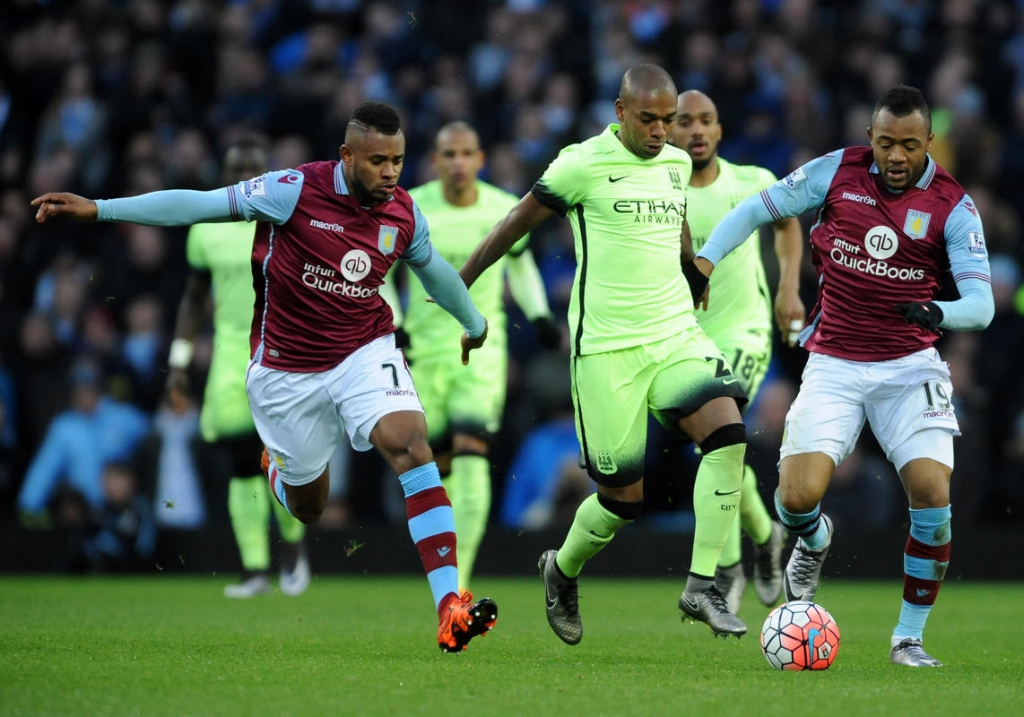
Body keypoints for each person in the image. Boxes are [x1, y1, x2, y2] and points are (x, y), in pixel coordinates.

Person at [31, 101, 498, 654]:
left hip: (363, 350)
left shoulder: (403, 213)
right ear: (347, 156)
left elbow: (436, 272)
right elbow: (199, 206)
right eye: (377, 161)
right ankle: (274, 471)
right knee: (310, 508)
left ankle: (449, 606)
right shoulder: (293, 190)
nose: (391, 173)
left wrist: (474, 322)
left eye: (397, 160)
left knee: (412, 445)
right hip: (285, 371)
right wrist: (101, 209)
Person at [690, 85, 994, 666]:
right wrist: (706, 259)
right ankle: (815, 537)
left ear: (929, 142)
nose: (896, 156)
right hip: (833, 361)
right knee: (795, 499)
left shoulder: (955, 206)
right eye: (885, 143)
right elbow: (758, 208)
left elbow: (981, 305)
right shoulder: (837, 170)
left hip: (910, 367)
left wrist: (938, 311)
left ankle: (908, 638)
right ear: (871, 139)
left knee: (932, 496)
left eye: (909, 145)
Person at [459, 64, 750, 642]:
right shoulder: (581, 163)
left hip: (674, 335)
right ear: (620, 112)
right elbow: (513, 224)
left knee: (728, 435)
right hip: (606, 350)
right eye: (649, 119)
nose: (662, 132)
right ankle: (560, 571)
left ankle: (702, 586)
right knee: (622, 502)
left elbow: (678, 222)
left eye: (669, 120)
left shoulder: (674, 164)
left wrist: (692, 269)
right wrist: (459, 290)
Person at [385, 121, 560, 590]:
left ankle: (460, 579)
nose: (458, 162)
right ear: (435, 160)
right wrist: (396, 321)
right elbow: (382, 270)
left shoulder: (502, 208)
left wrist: (540, 314)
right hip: (424, 352)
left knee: (473, 451)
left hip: (482, 348)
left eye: (466, 153)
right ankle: (445, 573)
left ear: (480, 160)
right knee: (434, 467)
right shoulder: (411, 206)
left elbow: (520, 268)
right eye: (449, 154)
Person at [669, 89, 805, 613]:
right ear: (667, 129)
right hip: (682, 338)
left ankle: (726, 570)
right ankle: (763, 535)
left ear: (720, 130)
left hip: (744, 331)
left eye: (707, 120)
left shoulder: (752, 181)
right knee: (714, 450)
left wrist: (788, 286)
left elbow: (788, 223)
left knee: (718, 442)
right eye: (686, 122)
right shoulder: (656, 190)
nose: (697, 130)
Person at [167, 136, 310, 597]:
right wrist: (179, 360)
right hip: (231, 356)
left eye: (254, 168)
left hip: (282, 351)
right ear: (224, 174)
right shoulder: (206, 226)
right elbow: (191, 299)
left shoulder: (289, 220)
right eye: (236, 169)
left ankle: (292, 547)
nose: (246, 177)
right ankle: (254, 570)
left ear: (266, 173)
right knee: (240, 459)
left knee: (282, 458)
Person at [17, 358, 151, 527]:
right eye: (79, 390)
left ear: (99, 389)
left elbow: (154, 443)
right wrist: (29, 504)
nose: (84, 395)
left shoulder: (123, 417)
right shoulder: (64, 426)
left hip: (122, 507)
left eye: (89, 388)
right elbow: (45, 467)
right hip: (84, 511)